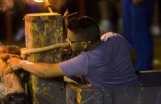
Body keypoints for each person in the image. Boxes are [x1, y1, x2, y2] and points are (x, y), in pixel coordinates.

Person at [8, 14, 141, 89]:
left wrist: (21, 63)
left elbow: (47, 71)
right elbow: (132, 55)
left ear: (84, 44)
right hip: (137, 93)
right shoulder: (114, 37)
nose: (67, 41)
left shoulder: (87, 61)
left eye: (70, 41)